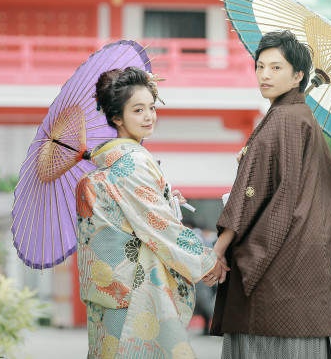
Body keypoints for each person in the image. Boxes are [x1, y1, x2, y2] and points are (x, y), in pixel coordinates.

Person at [76, 66, 226, 359]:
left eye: (152, 108)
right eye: (138, 110)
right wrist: (205, 261)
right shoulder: (131, 163)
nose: (148, 117)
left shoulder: (108, 165)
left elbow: (139, 216)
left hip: (110, 289)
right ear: (117, 117)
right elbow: (158, 224)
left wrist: (166, 199)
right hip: (135, 290)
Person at [209, 30, 331, 358]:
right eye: (260, 66)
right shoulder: (302, 117)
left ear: (298, 76)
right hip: (305, 267)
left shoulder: (282, 119)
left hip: (276, 272)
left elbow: (251, 194)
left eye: (276, 68)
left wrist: (219, 249)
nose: (264, 75)